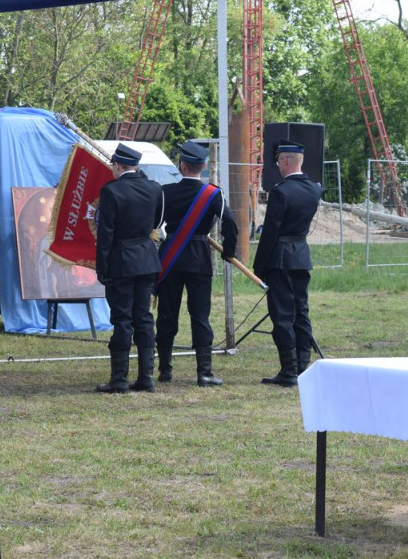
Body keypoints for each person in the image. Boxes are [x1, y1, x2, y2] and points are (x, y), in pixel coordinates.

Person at [154, 140, 238, 386]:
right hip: (200, 258)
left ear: (181, 165)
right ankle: (204, 372)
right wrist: (228, 251)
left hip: (171, 259)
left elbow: (155, 224)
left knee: (167, 314)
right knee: (200, 316)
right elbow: (230, 224)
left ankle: (165, 370)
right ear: (203, 166)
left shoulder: (166, 192)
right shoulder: (214, 193)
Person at [252, 141, 324, 387]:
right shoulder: (314, 189)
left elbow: (270, 233)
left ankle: (289, 370)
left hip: (280, 256)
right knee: (301, 311)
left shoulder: (281, 192)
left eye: (279, 162)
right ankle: (302, 364)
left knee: (282, 314)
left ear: (284, 161)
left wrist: (259, 265)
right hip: (301, 254)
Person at [94, 143, 163, 393]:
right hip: (146, 258)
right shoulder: (154, 189)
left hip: (122, 261)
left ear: (116, 165)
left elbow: (106, 234)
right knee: (143, 317)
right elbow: (156, 221)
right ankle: (147, 377)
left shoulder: (112, 191)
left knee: (122, 318)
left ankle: (120, 379)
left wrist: (101, 267)